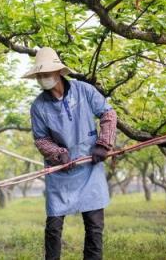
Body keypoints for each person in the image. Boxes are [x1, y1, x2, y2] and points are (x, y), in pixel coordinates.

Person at [23, 47, 117, 260]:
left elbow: (108, 114)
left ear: (58, 72)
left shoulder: (84, 91)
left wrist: (104, 144)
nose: (43, 78)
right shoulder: (38, 106)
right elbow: (41, 139)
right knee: (54, 226)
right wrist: (58, 153)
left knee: (94, 226)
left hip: (89, 166)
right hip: (60, 171)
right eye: (40, 75)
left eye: (46, 73)